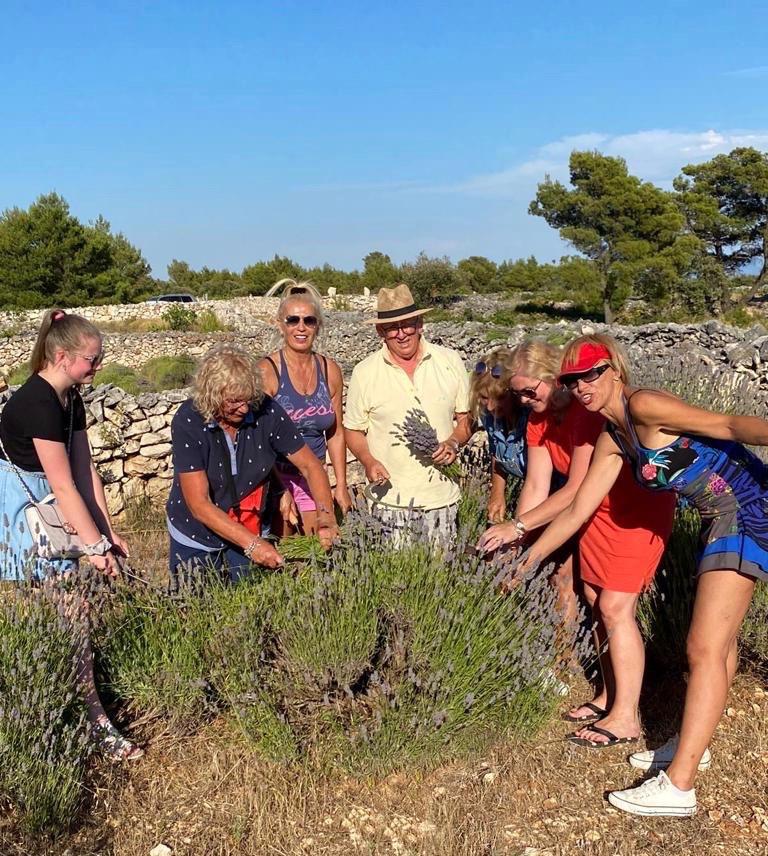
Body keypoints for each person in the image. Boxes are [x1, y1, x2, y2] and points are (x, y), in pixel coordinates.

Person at [512, 333, 768, 817]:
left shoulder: (646, 404)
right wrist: (528, 557)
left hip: (749, 507)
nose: (582, 385)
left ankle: (679, 786)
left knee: (704, 646)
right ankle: (694, 743)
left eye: (592, 372)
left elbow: (730, 424)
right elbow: (578, 509)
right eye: (572, 378)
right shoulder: (614, 438)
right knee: (723, 641)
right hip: (722, 514)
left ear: (614, 368)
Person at [477, 340, 675, 733]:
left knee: (616, 606)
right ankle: (608, 693)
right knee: (594, 599)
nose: (525, 399)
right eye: (518, 393)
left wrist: (518, 529)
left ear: (555, 379)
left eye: (531, 390)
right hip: (590, 516)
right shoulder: (537, 421)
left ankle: (626, 714)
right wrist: (520, 544)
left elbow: (575, 489)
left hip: (628, 511)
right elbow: (536, 485)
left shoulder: (586, 415)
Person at [0, 309, 141, 761]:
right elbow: (61, 484)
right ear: (62, 356)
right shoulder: (38, 403)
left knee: (66, 620)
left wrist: (107, 531)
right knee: (71, 618)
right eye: (91, 359)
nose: (97, 367)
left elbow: (85, 470)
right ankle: (92, 723)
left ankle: (65, 713)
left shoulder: (70, 397)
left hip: (54, 510)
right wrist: (93, 547)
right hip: (29, 516)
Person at [166, 343, 337, 583]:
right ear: (212, 395)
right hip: (196, 533)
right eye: (234, 401)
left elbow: (311, 466)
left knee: (249, 599)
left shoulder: (266, 411)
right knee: (200, 605)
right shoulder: (189, 420)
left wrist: (326, 517)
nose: (245, 408)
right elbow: (199, 504)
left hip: (251, 521)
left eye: (248, 399)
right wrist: (253, 546)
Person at [344, 283, 471, 546]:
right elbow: (353, 429)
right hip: (389, 501)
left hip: (441, 499)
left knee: (440, 580)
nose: (401, 334)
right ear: (381, 332)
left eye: (408, 324)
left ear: (420, 323)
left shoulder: (450, 361)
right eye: (392, 327)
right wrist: (368, 460)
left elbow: (466, 419)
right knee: (393, 582)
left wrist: (453, 442)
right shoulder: (365, 372)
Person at [259, 279, 351, 535]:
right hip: (278, 474)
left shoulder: (329, 370)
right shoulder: (268, 372)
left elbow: (335, 432)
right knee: (286, 558)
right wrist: (281, 490)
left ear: (317, 326)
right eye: (293, 320)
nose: (301, 327)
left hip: (315, 476)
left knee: (319, 550)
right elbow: (259, 438)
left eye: (309, 320)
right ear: (280, 325)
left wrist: (340, 483)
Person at [469, 348, 529, 523]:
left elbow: (537, 482)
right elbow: (497, 454)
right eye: (484, 397)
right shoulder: (491, 417)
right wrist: (497, 493)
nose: (490, 407)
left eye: (499, 398)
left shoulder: (530, 418)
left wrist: (519, 526)